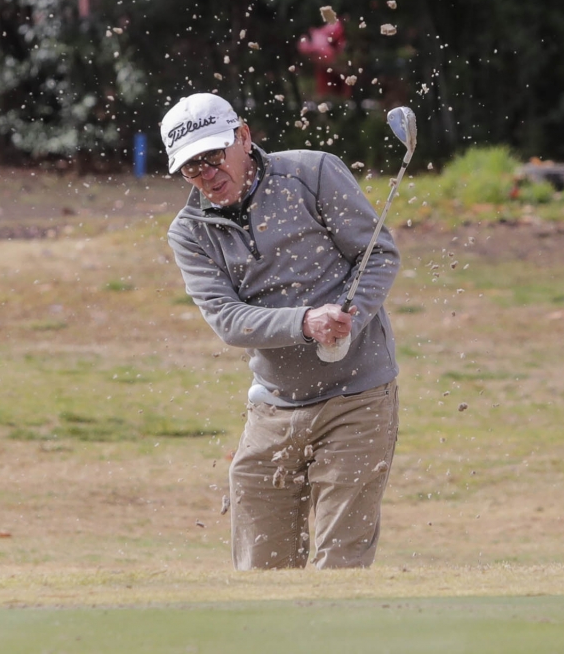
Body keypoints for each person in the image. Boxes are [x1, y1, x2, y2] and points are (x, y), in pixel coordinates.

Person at [161, 93, 401, 569]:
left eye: (213, 156)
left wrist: (350, 317)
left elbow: (377, 255)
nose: (207, 174)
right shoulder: (189, 232)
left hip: (358, 397)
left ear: (243, 137)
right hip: (273, 406)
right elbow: (228, 320)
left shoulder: (313, 173)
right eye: (192, 167)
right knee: (261, 568)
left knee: (340, 566)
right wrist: (306, 322)